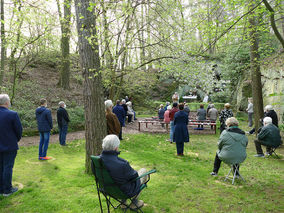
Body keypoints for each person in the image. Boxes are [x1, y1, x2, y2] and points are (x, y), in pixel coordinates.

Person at [100, 135, 148, 209]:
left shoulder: (96, 160)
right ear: (116, 147)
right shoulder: (122, 164)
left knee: (122, 179)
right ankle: (134, 203)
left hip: (106, 189)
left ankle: (123, 203)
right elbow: (135, 176)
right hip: (124, 191)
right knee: (143, 171)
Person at [0, 94, 22, 196]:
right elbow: (19, 130)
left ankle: (1, 189)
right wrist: (15, 140)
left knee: (1, 167)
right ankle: (7, 189)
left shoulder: (12, 114)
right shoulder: (12, 114)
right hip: (9, 145)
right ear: (6, 103)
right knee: (7, 167)